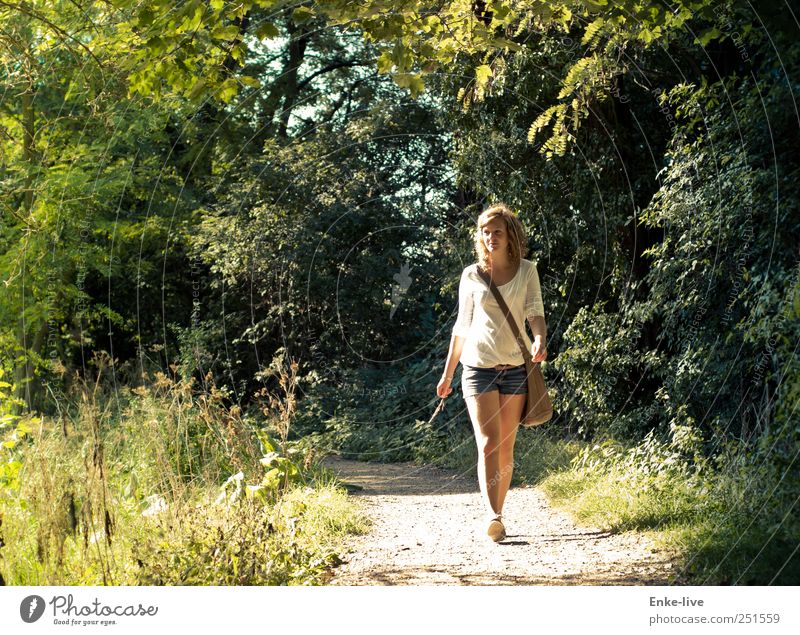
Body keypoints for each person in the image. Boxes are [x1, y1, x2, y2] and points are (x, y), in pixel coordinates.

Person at [436, 203, 547, 542]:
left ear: (510, 234)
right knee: (488, 443)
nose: (490, 237)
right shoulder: (471, 274)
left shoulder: (527, 270)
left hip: (515, 368)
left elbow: (534, 312)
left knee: (507, 446)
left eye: (497, 231)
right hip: (478, 368)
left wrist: (539, 338)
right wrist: (447, 373)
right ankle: (493, 515)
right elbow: (462, 326)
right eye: (485, 232)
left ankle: (499, 509)